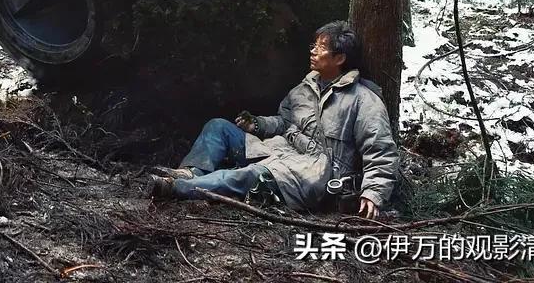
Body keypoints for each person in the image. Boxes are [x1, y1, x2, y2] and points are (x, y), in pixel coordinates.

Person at [147, 21, 398, 220]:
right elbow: (282, 121)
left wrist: (373, 193)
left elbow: (380, 149)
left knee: (247, 176)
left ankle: (175, 188)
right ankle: (192, 173)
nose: (312, 51)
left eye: (320, 47)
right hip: (279, 151)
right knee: (219, 127)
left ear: (340, 58)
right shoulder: (304, 89)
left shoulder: (363, 100)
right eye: (313, 45)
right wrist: (256, 125)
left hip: (313, 174)